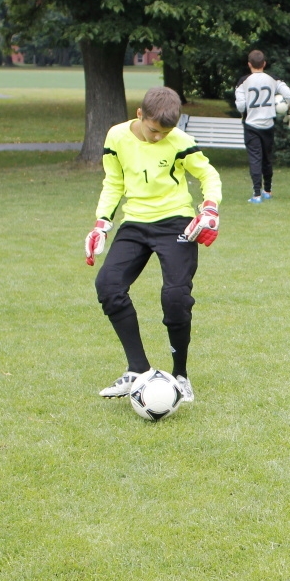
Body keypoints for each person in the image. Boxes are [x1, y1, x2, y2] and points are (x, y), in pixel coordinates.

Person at [84, 86, 223, 403]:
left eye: (166, 132)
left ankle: (181, 377)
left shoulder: (181, 142)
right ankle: (137, 370)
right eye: (153, 130)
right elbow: (114, 181)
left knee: (175, 297)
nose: (159, 138)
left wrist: (210, 207)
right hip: (134, 222)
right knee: (108, 286)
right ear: (139, 115)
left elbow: (208, 175)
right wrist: (102, 224)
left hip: (176, 222)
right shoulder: (116, 137)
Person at [235, 50, 290, 204]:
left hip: (251, 124)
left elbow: (241, 107)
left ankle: (256, 194)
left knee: (255, 158)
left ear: (249, 64)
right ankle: (267, 190)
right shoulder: (273, 79)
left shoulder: (243, 81)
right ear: (264, 64)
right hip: (268, 124)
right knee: (267, 158)